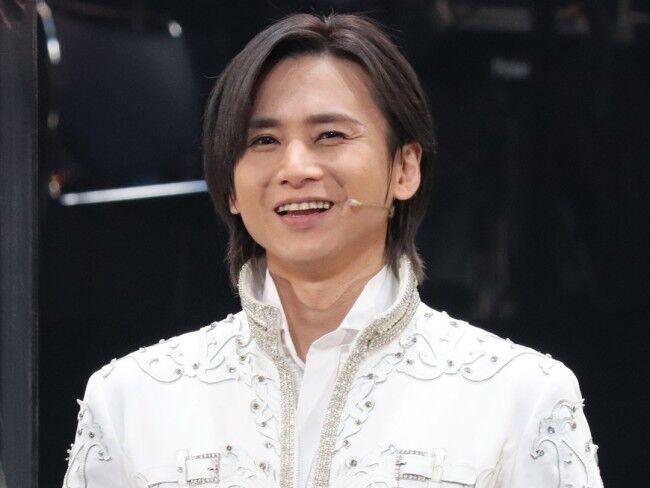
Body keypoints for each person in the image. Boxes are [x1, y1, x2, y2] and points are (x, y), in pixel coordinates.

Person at [62, 13, 603, 488]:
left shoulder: (520, 396)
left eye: (330, 136)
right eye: (263, 141)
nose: (296, 168)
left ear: (405, 168)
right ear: (230, 188)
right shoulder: (131, 399)